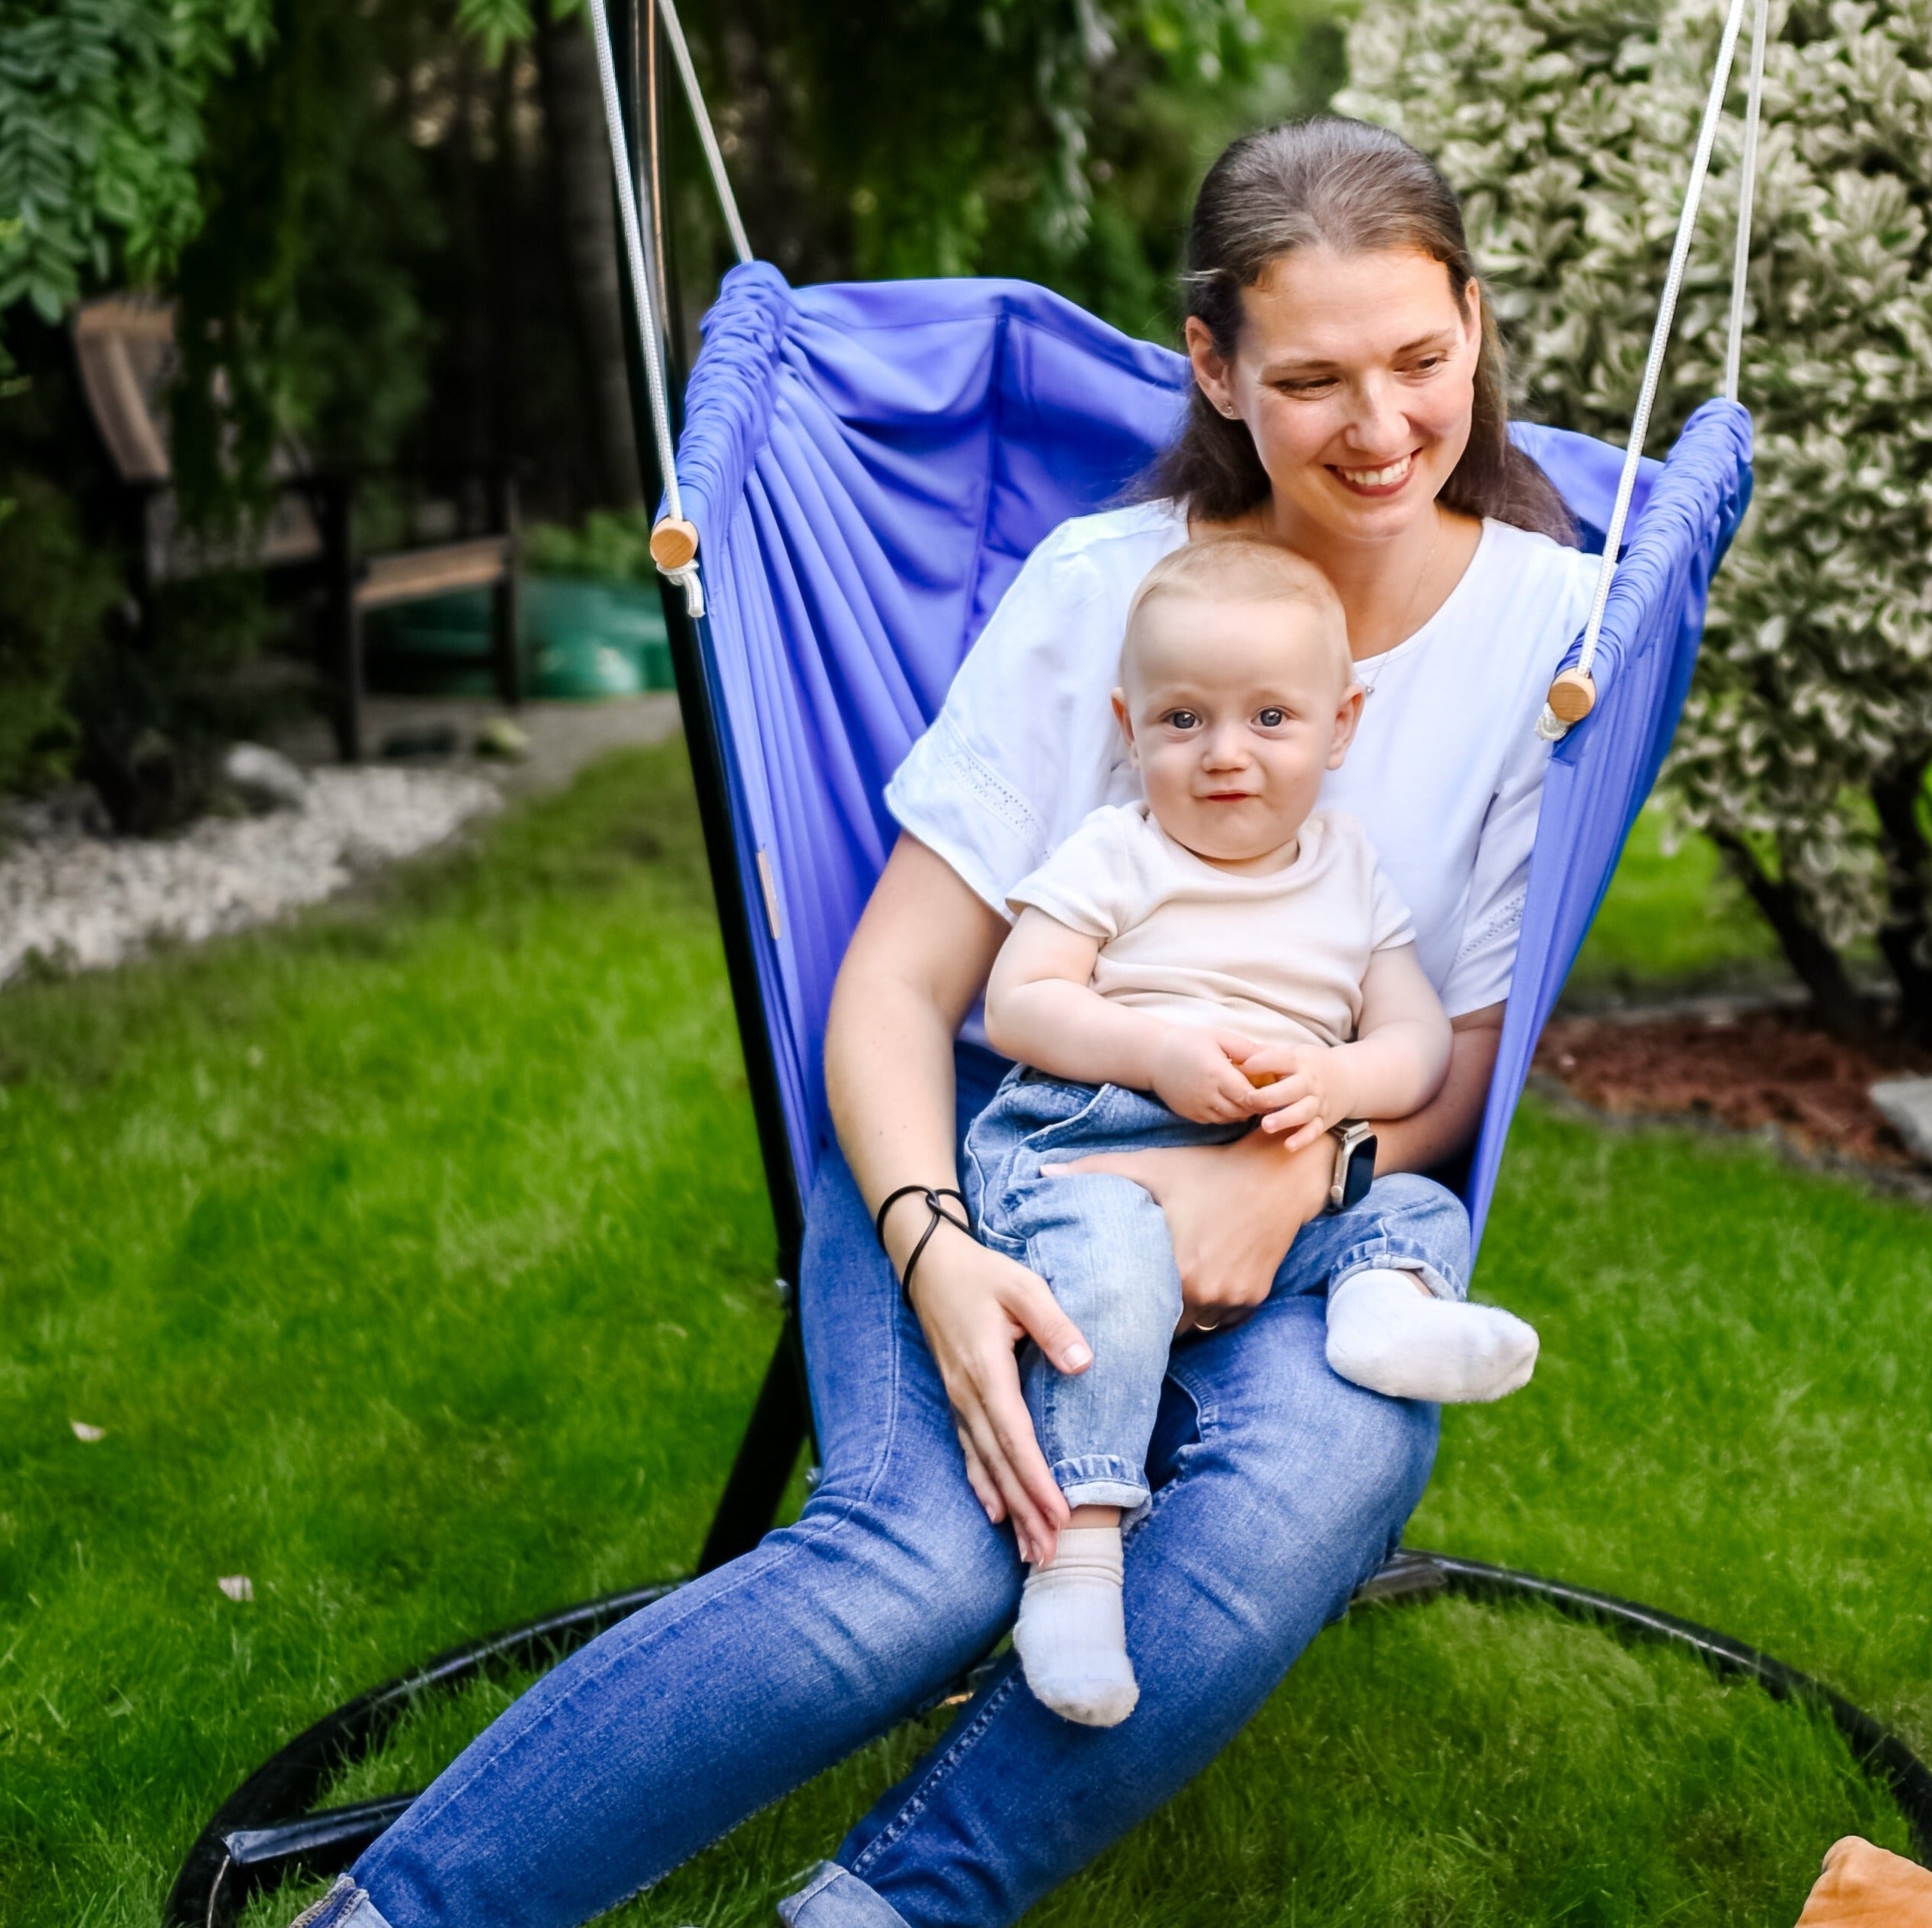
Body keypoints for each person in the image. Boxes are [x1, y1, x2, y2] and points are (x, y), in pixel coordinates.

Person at [299, 116, 1601, 1928]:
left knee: (1334, 1456)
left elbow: (1457, 1055)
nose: (1378, 428)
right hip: (1013, 1140)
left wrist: (1297, 1186)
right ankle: (396, 1915)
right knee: (920, 1564)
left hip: (1306, 1166)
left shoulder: (1558, 639)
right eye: (1310, 379)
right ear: (1215, 369)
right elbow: (906, 984)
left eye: (1420, 361)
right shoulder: (1103, 591)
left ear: (1474, 320)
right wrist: (932, 1250)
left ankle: (888, 1906)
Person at [974, 537, 1539, 1727]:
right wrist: (1157, 1050)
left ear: (1343, 724)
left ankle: (1386, 1312)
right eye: (1184, 718)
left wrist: (1338, 1078)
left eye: (1271, 716)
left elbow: (1418, 1043)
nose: (1226, 752)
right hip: (1085, 1141)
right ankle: (1077, 1551)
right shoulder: (1116, 851)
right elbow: (1018, 1000)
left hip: (1280, 1146)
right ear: (1131, 724)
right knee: (1112, 1276)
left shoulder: (1349, 868)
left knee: (1408, 1204)